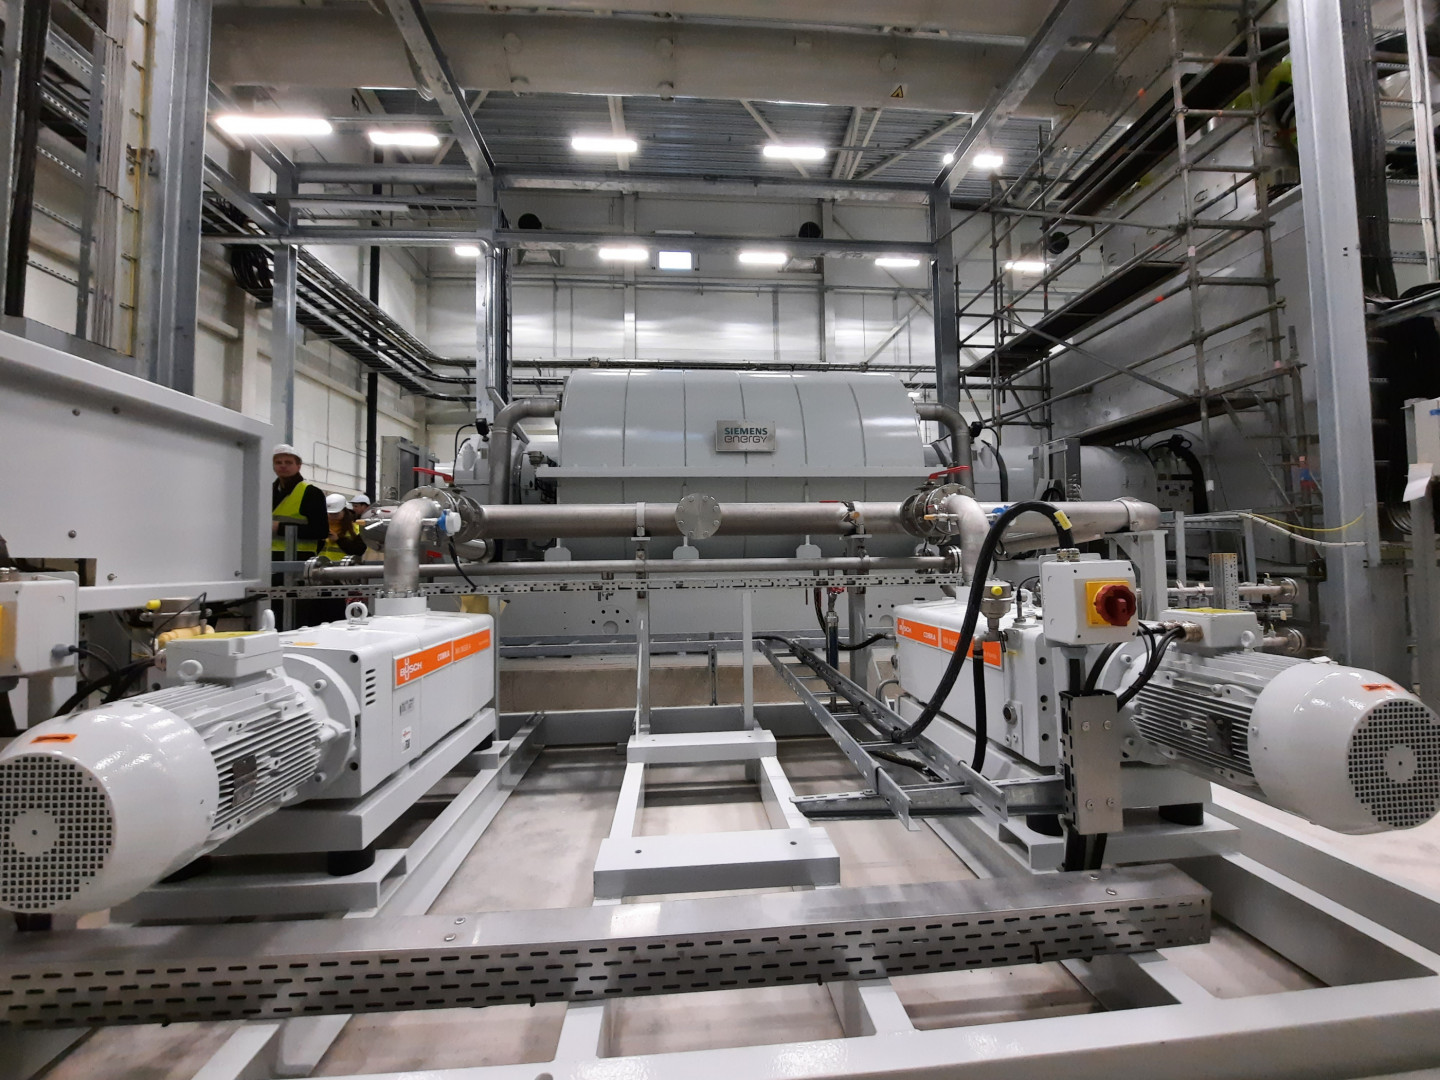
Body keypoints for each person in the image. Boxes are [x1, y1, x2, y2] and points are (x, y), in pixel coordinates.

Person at [271, 444, 329, 559]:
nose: (283, 466)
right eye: (278, 462)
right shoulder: (267, 492)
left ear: (298, 466)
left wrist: (280, 528)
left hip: (300, 559)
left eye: (288, 462)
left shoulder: (311, 493)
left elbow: (320, 531)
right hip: (267, 558)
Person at [319, 493, 367, 562]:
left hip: (345, 566)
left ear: (344, 512)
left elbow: (358, 551)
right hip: (322, 565)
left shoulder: (356, 528)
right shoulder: (321, 527)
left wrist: (339, 540)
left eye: (336, 514)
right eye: (330, 514)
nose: (333, 516)